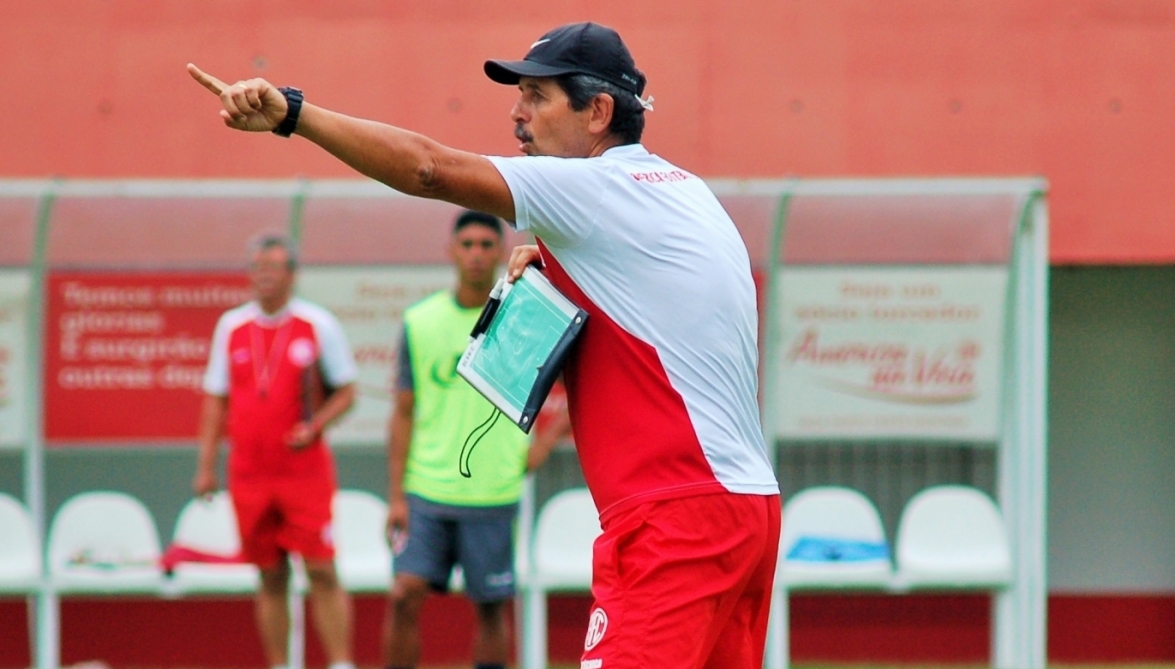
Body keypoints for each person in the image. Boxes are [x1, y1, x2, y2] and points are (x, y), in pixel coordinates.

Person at [189, 20, 780, 669]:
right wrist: (563, 273)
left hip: (676, 517)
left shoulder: (593, 188)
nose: (516, 112)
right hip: (745, 507)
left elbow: (428, 168)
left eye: (537, 96)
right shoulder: (685, 192)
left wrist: (292, 114)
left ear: (598, 112)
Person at [382, 210, 562, 669]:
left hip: (493, 492)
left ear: (501, 252)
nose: (477, 254)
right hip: (427, 491)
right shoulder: (420, 322)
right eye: (468, 245)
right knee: (404, 596)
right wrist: (396, 496)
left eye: (487, 245)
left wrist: (543, 445)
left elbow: (576, 386)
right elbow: (402, 413)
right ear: (451, 251)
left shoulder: (525, 318)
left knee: (490, 609)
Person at [194, 234, 358, 669]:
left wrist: (317, 424)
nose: (264, 276)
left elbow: (347, 391)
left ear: (291, 275)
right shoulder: (231, 327)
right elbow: (215, 399)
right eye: (257, 268)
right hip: (250, 471)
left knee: (321, 569)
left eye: (273, 268)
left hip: (303, 471)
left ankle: (340, 661)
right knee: (269, 574)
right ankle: (279, 663)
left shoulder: (316, 324)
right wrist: (206, 466)